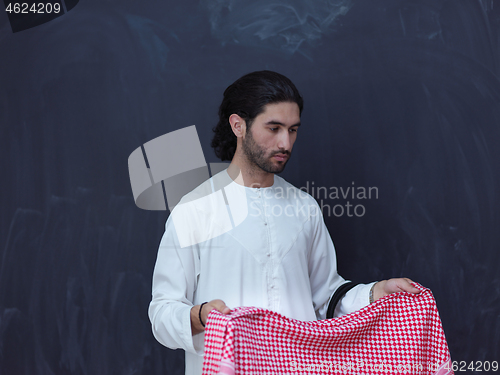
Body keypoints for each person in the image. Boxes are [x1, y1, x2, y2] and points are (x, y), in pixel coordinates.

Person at [148, 70, 420, 375]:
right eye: (274, 128)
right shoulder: (194, 210)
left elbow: (325, 297)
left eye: (292, 130)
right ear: (238, 125)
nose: (285, 142)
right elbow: (162, 312)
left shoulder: (305, 208)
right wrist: (200, 315)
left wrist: (375, 293)